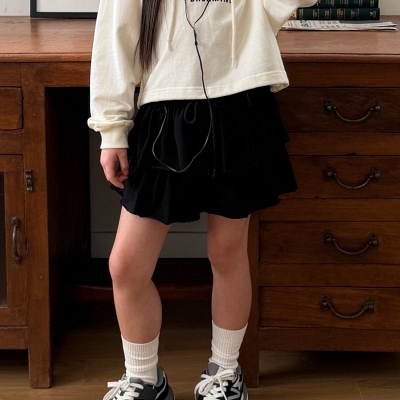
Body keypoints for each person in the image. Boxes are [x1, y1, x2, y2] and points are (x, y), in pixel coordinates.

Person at [88, 1, 316, 399]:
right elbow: (114, 39)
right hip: (164, 111)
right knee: (126, 265)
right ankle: (143, 380)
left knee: (227, 253)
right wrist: (112, 131)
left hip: (238, 108)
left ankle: (224, 373)